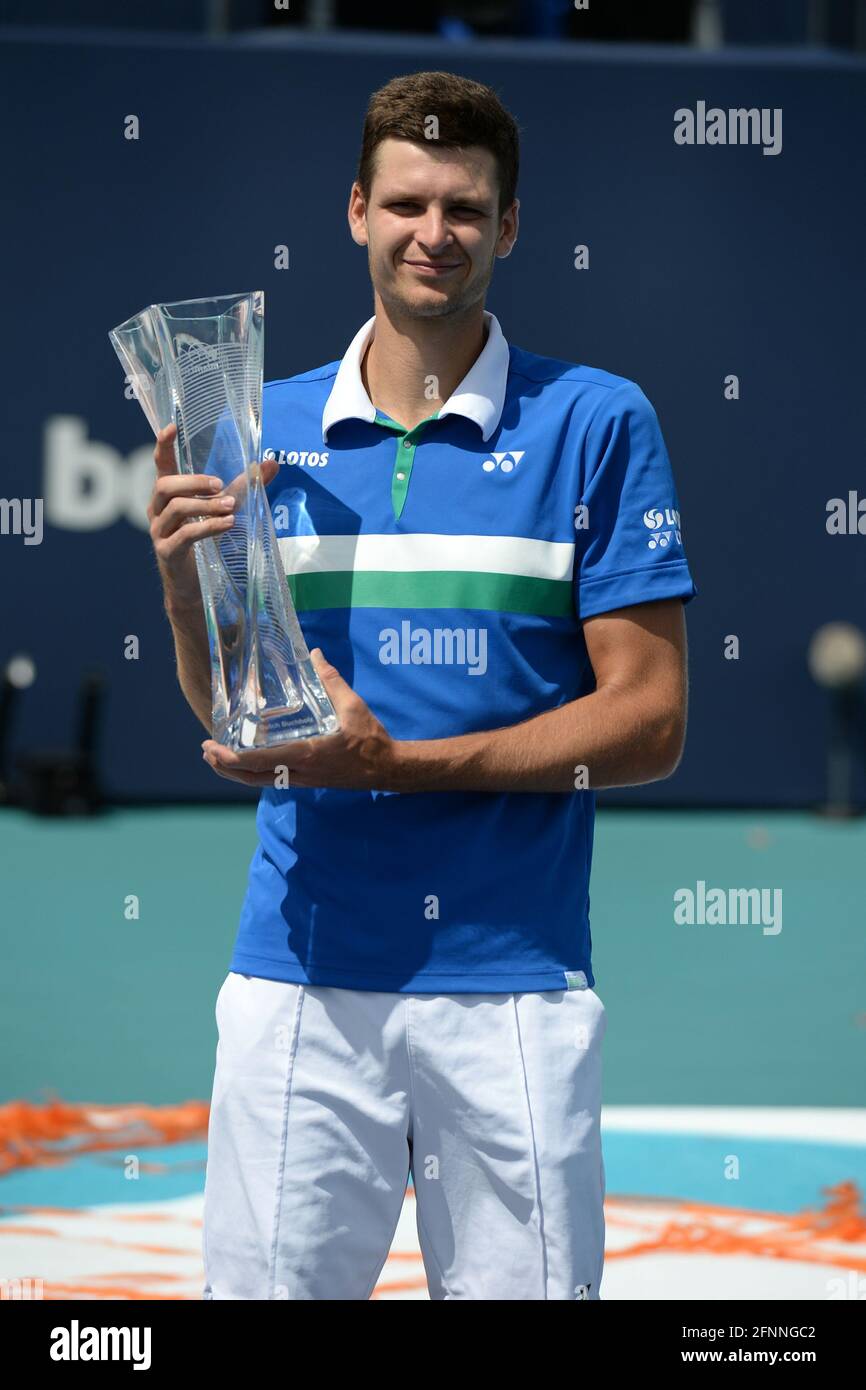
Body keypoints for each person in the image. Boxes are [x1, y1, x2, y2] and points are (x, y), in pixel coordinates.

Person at [147, 70, 696, 1300]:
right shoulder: (253, 428)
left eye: (462, 208)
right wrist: (187, 590)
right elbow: (236, 714)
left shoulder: (595, 423)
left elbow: (649, 719)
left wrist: (398, 766)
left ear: (506, 227)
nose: (430, 234)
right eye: (404, 203)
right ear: (354, 211)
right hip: (296, 981)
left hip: (510, 989)